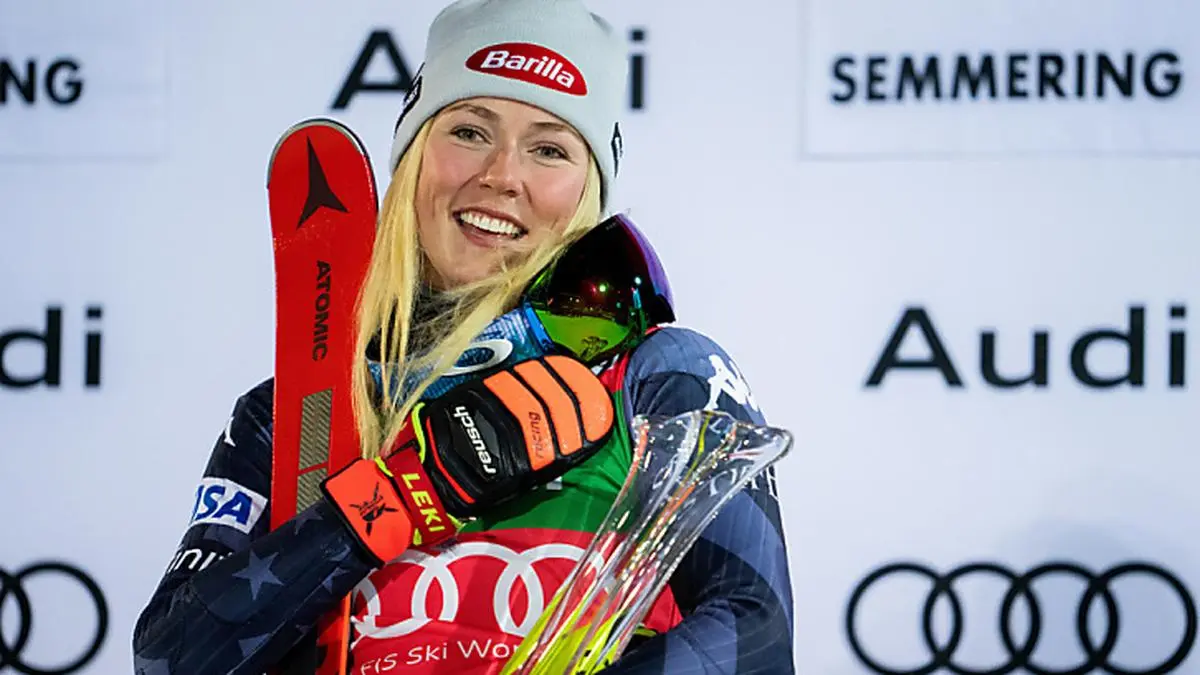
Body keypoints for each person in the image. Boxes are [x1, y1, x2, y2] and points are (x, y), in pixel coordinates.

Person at [132, 0, 795, 672]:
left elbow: (756, 634)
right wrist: (397, 497)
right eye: (470, 131)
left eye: (548, 149)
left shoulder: (660, 373)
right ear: (415, 156)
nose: (501, 175)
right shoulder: (299, 415)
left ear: (589, 190)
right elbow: (170, 661)